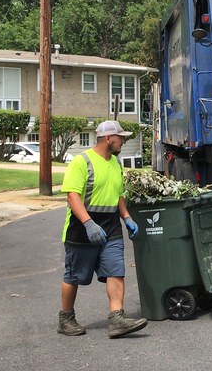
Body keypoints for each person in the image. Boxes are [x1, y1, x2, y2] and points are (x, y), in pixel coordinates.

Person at [58, 120, 147, 338]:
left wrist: (127, 217)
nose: (123, 141)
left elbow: (118, 195)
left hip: (111, 226)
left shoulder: (116, 164)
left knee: (116, 270)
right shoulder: (82, 162)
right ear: (108, 138)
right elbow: (72, 195)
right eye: (121, 137)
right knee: (74, 276)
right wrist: (89, 224)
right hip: (81, 227)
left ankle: (117, 318)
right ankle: (66, 318)